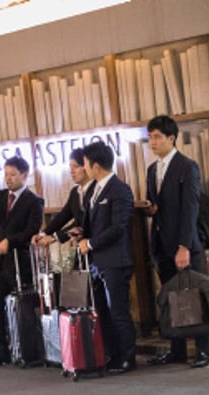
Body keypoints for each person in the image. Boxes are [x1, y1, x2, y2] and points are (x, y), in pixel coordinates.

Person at [145, 115, 209, 369]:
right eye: (150, 137)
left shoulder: (187, 166)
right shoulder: (153, 170)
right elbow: (158, 204)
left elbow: (190, 208)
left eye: (157, 137)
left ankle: (203, 351)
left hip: (184, 244)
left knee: (194, 297)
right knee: (172, 298)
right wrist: (152, 209)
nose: (152, 142)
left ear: (171, 138)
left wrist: (184, 245)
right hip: (161, 243)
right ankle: (177, 349)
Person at [0, 155, 44, 367]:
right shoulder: (1, 196)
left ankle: (28, 352)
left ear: (24, 175)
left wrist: (10, 241)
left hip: (19, 262)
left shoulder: (34, 201)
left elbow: (31, 230)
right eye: (5, 174)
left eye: (12, 174)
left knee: (24, 309)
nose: (8, 179)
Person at [77, 140, 136, 373]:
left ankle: (128, 357)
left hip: (115, 260)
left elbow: (118, 227)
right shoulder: (93, 189)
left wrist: (90, 243)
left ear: (96, 165)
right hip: (97, 262)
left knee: (118, 311)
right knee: (102, 311)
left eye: (85, 164)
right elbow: (92, 223)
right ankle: (112, 353)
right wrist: (80, 235)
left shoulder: (120, 190)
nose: (83, 168)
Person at [35, 148, 90, 247]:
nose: (71, 171)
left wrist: (56, 237)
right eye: (70, 167)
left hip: (95, 246)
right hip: (81, 249)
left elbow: (84, 222)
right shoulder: (75, 192)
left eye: (76, 166)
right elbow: (63, 216)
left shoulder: (96, 190)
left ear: (87, 166)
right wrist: (44, 233)